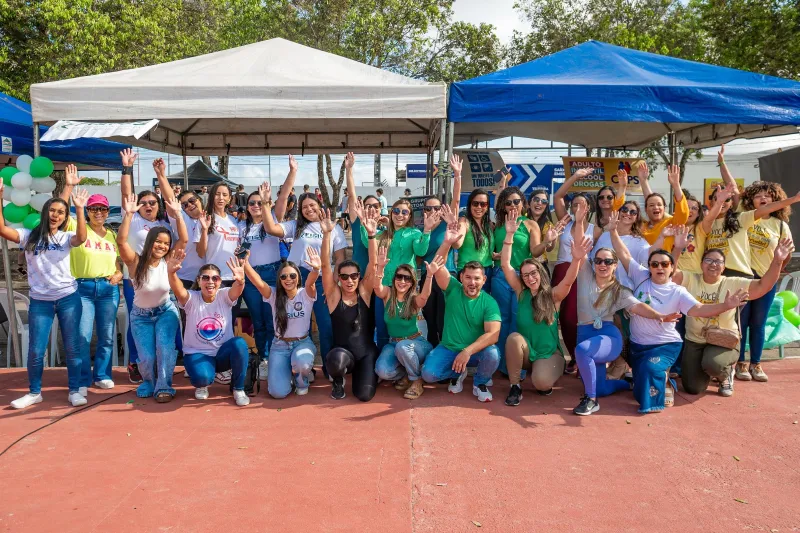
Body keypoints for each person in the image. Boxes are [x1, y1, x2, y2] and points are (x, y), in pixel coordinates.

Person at [609, 218, 750, 413]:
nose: (659, 267)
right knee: (639, 387)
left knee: (651, 371)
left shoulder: (678, 291)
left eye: (664, 264)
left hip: (665, 344)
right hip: (638, 345)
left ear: (671, 267)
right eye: (655, 264)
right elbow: (623, 253)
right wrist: (613, 231)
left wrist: (726, 305)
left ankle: (656, 400)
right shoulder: (640, 276)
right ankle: (668, 383)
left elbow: (699, 309)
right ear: (649, 266)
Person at [2, 173, 89, 409]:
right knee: (36, 350)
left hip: (68, 298)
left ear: (64, 217)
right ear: (45, 212)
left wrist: (79, 209)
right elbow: (2, 229)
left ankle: (74, 390)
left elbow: (81, 237)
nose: (56, 215)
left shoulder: (65, 236)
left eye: (61, 213)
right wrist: (0, 197)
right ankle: (34, 392)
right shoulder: (28, 236)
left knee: (71, 346)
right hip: (40, 301)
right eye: (52, 211)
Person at [672, 239, 792, 398]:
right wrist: (678, 248)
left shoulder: (733, 282)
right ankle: (707, 368)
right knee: (692, 387)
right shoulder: (690, 279)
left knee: (713, 364)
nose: (713, 264)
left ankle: (725, 373)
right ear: (701, 264)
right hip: (695, 340)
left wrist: (777, 261)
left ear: (723, 267)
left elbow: (764, 285)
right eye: (708, 260)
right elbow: (670, 273)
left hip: (723, 339)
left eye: (718, 261)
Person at [572, 239, 680, 416]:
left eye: (608, 261)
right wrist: (578, 220)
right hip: (585, 334)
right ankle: (628, 383)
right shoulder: (585, 275)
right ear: (593, 263)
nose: (602, 264)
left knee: (583, 351)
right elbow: (580, 247)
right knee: (600, 387)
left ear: (615, 265)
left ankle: (591, 400)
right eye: (598, 260)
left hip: (608, 337)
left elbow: (637, 306)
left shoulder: (619, 290)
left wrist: (659, 315)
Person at [502, 218, 591, 406]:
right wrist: (509, 235)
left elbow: (568, 280)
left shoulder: (553, 295)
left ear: (540, 273)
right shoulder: (521, 293)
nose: (529, 278)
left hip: (549, 354)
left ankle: (545, 374)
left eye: (533, 273)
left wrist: (576, 259)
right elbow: (505, 266)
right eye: (525, 275)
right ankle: (515, 386)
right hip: (527, 352)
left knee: (541, 384)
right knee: (513, 338)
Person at [260, 181, 347, 372]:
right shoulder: (295, 226)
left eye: (312, 205)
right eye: (304, 207)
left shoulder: (334, 228)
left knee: (326, 326)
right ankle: (301, 369)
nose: (308, 210)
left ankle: (329, 368)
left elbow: (340, 258)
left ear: (320, 206)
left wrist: (333, 282)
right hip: (295, 280)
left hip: (323, 281)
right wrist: (266, 204)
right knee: (298, 325)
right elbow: (271, 229)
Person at [118, 193, 188, 401]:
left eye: (166, 243)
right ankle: (148, 380)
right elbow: (121, 242)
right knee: (147, 356)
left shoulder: (168, 261)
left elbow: (183, 239)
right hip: (140, 316)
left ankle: (164, 385)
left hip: (165, 311)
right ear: (150, 242)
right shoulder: (135, 262)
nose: (162, 246)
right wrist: (128, 215)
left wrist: (178, 215)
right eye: (158, 242)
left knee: (165, 348)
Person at [420, 245, 501, 403]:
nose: (472, 282)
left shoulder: (489, 302)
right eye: (468, 277)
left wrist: (467, 351)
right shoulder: (453, 289)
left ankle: (480, 382)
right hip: (449, 348)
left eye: (477, 278)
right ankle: (457, 373)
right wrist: (448, 241)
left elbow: (493, 334)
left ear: (484, 280)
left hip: (475, 352)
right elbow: (438, 266)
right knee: (428, 374)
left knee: (493, 353)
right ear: (461, 277)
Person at [119, 148, 172, 384]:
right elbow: (126, 193)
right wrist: (127, 168)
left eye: (152, 202)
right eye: (143, 203)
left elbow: (171, 201)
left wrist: (161, 175)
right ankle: (136, 363)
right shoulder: (134, 219)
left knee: (164, 321)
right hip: (135, 279)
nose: (148, 205)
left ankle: (160, 364)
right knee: (137, 321)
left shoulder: (164, 223)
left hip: (162, 278)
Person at [168, 253, 250, 405]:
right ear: (199, 281)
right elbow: (178, 289)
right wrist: (171, 273)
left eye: (215, 278)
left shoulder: (224, 295)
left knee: (239, 343)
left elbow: (236, 290)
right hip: (197, 354)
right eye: (205, 278)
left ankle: (238, 389)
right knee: (203, 378)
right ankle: (203, 384)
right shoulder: (191, 298)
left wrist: (240, 280)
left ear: (220, 282)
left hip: (221, 354)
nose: (210, 281)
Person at [491, 186, 559, 373]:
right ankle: (500, 365)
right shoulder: (497, 225)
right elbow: (492, 250)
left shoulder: (530, 224)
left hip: (522, 278)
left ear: (523, 204)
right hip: (499, 276)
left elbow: (536, 251)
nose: (513, 205)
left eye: (516, 201)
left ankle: (518, 366)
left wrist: (547, 242)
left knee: (518, 319)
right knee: (500, 321)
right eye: (508, 202)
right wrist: (496, 255)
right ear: (503, 206)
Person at [360, 197, 436, 352]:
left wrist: (427, 231)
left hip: (405, 286)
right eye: (396, 210)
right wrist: (364, 226)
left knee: (405, 324)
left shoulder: (413, 232)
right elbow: (368, 244)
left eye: (404, 212)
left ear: (409, 216)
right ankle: (384, 357)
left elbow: (421, 251)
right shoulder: (383, 234)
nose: (399, 215)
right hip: (384, 286)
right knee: (381, 325)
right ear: (391, 212)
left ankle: (408, 357)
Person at [737, 181, 794, 382]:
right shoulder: (745, 219)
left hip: (767, 279)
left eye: (768, 196)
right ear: (750, 199)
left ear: (775, 200)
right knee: (741, 322)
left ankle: (756, 363)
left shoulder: (780, 225)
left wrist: (776, 268)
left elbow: (786, 253)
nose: (763, 199)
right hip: (744, 277)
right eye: (758, 195)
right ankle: (740, 362)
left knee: (759, 323)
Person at [319, 208, 379, 401]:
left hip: (365, 354)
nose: (350, 280)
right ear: (340, 279)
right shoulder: (334, 295)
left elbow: (373, 264)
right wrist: (327, 234)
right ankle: (338, 379)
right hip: (343, 355)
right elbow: (326, 266)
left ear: (359, 277)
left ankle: (363, 376)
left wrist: (371, 234)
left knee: (364, 395)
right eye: (344, 276)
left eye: (354, 276)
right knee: (335, 361)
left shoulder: (364, 292)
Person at [242, 255, 318, 398]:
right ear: (279, 280)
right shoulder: (274, 294)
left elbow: (311, 282)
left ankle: (301, 382)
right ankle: (288, 372)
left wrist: (316, 269)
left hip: (302, 343)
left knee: (302, 361)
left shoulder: (305, 293)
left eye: (292, 275)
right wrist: (245, 263)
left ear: (298, 277)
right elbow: (258, 283)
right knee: (277, 393)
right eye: (283, 277)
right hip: (279, 345)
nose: (288, 279)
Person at [69, 193, 123, 393]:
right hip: (83, 288)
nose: (98, 213)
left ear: (108, 212)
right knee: (82, 336)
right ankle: (83, 378)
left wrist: (118, 273)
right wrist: (73, 194)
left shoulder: (112, 235)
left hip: (108, 289)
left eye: (102, 209)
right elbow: (64, 215)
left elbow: (117, 264)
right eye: (94, 209)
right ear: (87, 211)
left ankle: (102, 374)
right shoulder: (77, 228)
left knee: (107, 336)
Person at [374, 247, 443, 400]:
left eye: (407, 278)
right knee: (382, 371)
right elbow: (377, 288)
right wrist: (380, 268)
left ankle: (416, 381)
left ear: (412, 282)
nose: (402, 281)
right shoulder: (388, 294)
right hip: (394, 344)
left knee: (403, 346)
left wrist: (430, 275)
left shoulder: (413, 299)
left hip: (416, 343)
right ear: (394, 279)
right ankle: (409, 372)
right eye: (399, 277)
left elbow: (425, 296)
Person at [237, 183, 288, 381]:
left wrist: (292, 172)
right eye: (252, 203)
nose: (256, 205)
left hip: (271, 274)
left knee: (272, 319)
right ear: (247, 206)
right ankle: (264, 358)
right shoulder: (241, 226)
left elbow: (283, 198)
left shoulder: (273, 220)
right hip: (250, 278)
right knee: (257, 321)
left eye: (259, 202)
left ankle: (275, 356)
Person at [553, 168, 596, 373]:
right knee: (565, 318)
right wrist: (576, 177)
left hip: (584, 273)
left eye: (582, 204)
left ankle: (583, 356)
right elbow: (558, 195)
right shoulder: (565, 220)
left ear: (588, 208)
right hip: (562, 271)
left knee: (581, 317)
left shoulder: (595, 229)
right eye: (575, 203)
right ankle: (571, 356)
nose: (578, 206)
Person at [418, 154, 462, 345]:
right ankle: (431, 356)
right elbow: (418, 257)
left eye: (436, 208)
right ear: (424, 210)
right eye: (428, 208)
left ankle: (445, 356)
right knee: (428, 321)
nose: (432, 211)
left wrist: (457, 176)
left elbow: (457, 202)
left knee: (444, 319)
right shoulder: (420, 231)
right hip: (426, 278)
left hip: (446, 276)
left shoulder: (447, 226)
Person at [154, 158, 207, 290]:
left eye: (192, 200)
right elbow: (170, 198)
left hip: (209, 276)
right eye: (185, 204)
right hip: (184, 277)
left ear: (200, 200)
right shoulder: (181, 218)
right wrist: (161, 174)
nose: (189, 205)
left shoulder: (211, 218)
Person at [638, 162, 689, 251]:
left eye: (659, 205)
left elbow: (683, 212)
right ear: (646, 209)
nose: (656, 207)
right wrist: (643, 181)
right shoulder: (640, 227)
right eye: (651, 205)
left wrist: (676, 185)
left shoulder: (671, 224)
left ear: (664, 208)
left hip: (664, 264)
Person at [199, 182, 241, 286]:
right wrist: (204, 230)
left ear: (229, 198)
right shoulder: (205, 219)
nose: (221, 198)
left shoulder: (234, 220)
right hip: (215, 277)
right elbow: (200, 253)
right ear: (212, 196)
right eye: (217, 194)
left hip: (235, 275)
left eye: (224, 195)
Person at [452, 188, 494, 291]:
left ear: (487, 206)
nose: (479, 207)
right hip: (468, 273)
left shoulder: (489, 225)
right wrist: (455, 238)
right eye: (475, 203)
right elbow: (457, 245)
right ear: (470, 205)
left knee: (484, 305)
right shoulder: (464, 222)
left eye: (483, 204)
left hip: (487, 272)